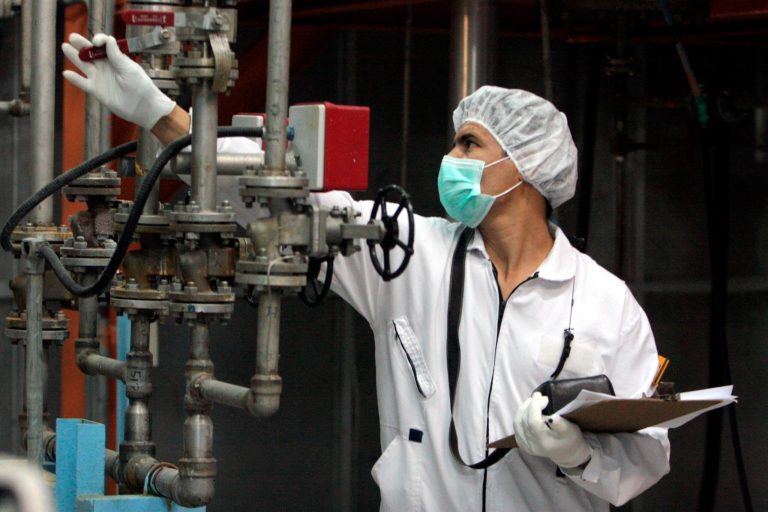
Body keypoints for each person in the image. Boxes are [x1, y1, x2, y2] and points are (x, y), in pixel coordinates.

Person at [62, 33, 671, 511]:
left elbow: (647, 456)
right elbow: (279, 201)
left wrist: (577, 455)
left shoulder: (603, 302)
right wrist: (162, 116)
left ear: (527, 168)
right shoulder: (405, 252)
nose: (448, 158)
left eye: (467, 145)